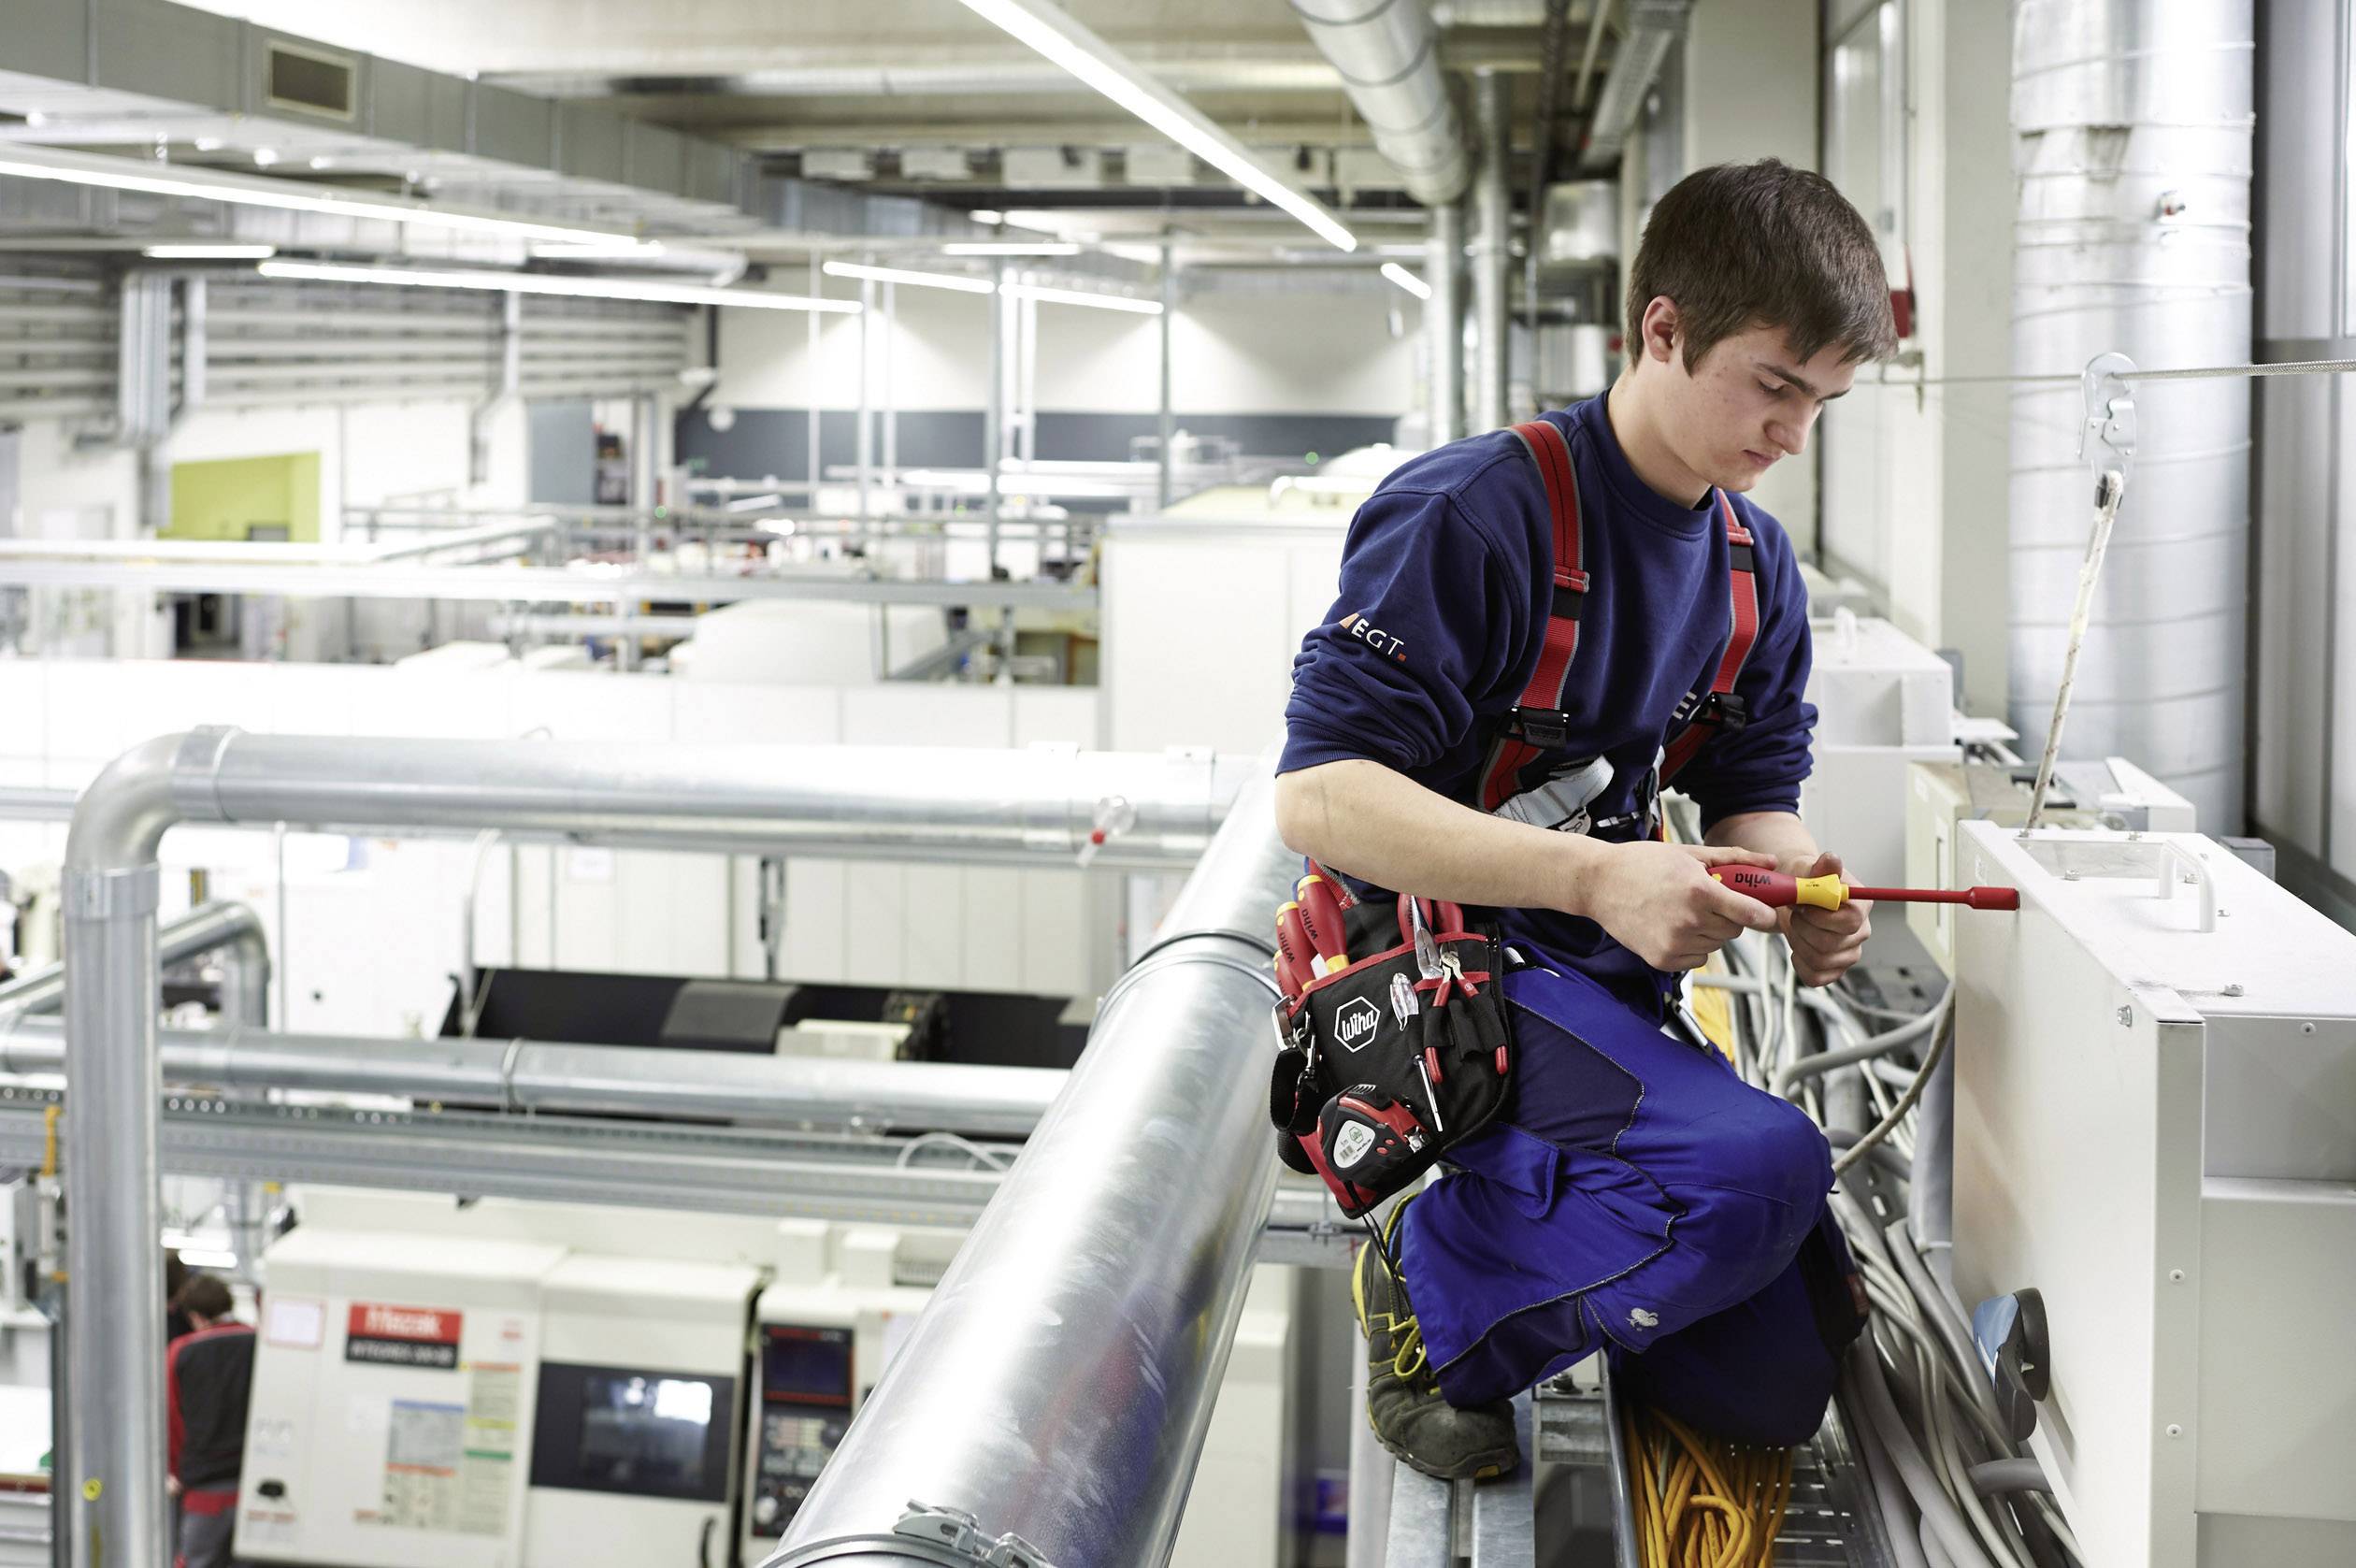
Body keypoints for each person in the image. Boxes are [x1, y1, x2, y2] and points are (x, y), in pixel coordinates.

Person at [1275, 159, 1898, 1479]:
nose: (1793, 435)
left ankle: (1543, 1210)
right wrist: (1597, 879)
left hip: (1592, 967)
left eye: (1824, 405)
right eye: (1775, 386)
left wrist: (1797, 890)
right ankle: (1427, 1283)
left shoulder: (1749, 565)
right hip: (1440, 972)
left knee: (1780, 1379)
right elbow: (1319, 794)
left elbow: (1755, 786)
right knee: (1759, 1172)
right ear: (1659, 330)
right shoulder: (1475, 514)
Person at [166, 1273, 256, 1568]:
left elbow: (173, 1419)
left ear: (196, 1316)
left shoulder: (181, 1351)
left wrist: (175, 1472)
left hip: (205, 1493)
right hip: (256, 1488)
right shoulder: (259, 1341)